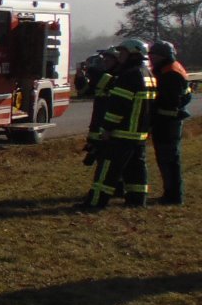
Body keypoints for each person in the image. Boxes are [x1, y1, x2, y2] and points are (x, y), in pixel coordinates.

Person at [79, 37, 156, 211]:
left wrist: (107, 128)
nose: (120, 55)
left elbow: (118, 107)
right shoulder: (148, 74)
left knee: (107, 171)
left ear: (134, 54)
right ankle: (137, 200)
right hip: (139, 134)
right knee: (136, 169)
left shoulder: (128, 76)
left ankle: (95, 202)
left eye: (123, 52)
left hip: (121, 133)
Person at [149, 39, 191, 205]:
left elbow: (169, 100)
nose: (151, 58)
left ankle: (173, 196)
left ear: (163, 56)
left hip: (168, 122)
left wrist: (153, 110)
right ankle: (171, 193)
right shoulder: (171, 68)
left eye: (154, 55)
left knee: (169, 159)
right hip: (169, 121)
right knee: (169, 158)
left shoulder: (169, 73)